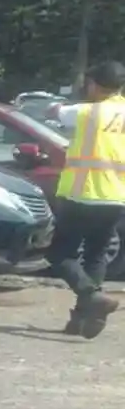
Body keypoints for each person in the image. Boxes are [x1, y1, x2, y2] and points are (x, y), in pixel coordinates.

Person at [47, 60, 125, 338]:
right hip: (116, 198)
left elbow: (55, 111)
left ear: (94, 85)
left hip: (82, 196)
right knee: (96, 255)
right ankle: (84, 319)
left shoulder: (87, 112)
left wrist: (59, 102)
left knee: (59, 254)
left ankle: (91, 296)